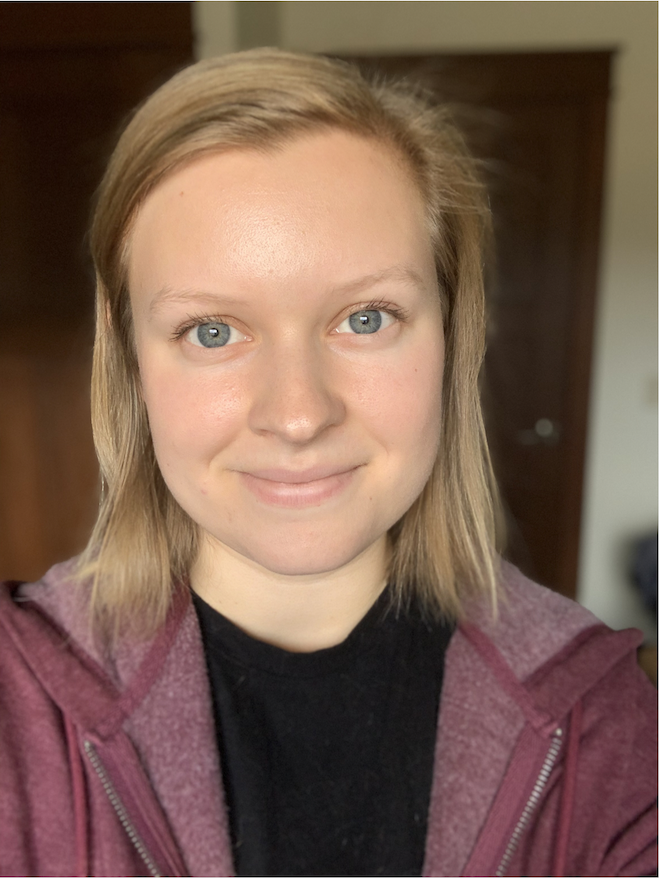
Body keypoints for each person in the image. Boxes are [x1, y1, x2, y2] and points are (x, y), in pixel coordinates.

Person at [0, 49, 655, 878]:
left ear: (452, 335)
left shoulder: (601, 716)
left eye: (366, 317)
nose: (299, 414)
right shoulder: (17, 704)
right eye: (212, 331)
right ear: (130, 360)